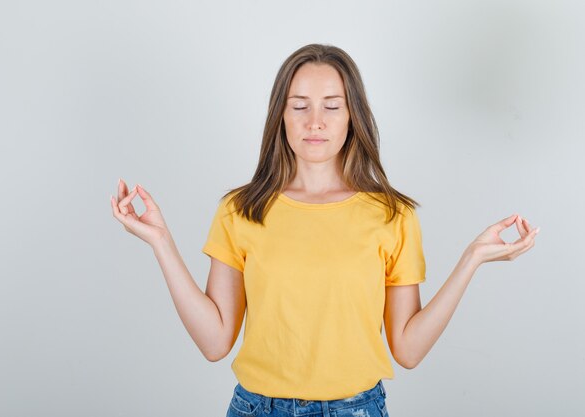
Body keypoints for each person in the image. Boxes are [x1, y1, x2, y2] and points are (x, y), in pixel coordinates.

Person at [110, 43, 539, 417]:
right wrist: (161, 242)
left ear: (353, 115)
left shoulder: (392, 215)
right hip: (258, 409)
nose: (315, 121)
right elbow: (214, 342)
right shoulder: (241, 209)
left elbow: (407, 349)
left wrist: (472, 259)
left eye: (332, 105)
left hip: (358, 409)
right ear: (281, 114)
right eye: (300, 105)